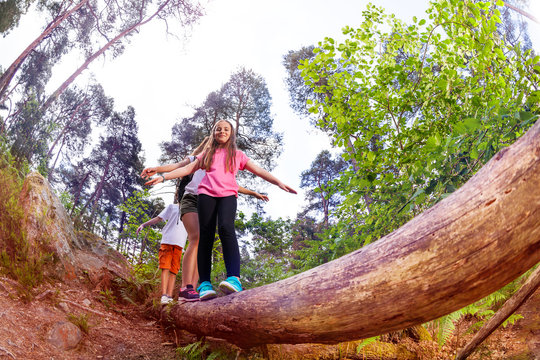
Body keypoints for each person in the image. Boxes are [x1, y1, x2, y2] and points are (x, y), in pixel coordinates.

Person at [144, 119, 296, 300]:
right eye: (218, 129)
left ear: (231, 133)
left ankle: (234, 278)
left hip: (227, 196)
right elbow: (186, 168)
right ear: (213, 133)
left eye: (226, 129)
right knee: (205, 237)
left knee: (226, 228)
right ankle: (205, 284)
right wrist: (163, 177)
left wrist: (278, 182)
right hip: (205, 195)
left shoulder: (237, 155)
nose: (222, 131)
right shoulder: (207, 154)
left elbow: (258, 170)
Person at [136, 203, 187, 305]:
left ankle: (169, 296)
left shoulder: (191, 208)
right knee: (165, 267)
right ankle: (163, 296)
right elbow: (159, 218)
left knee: (174, 270)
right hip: (168, 240)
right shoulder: (172, 206)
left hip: (180, 243)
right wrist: (143, 225)